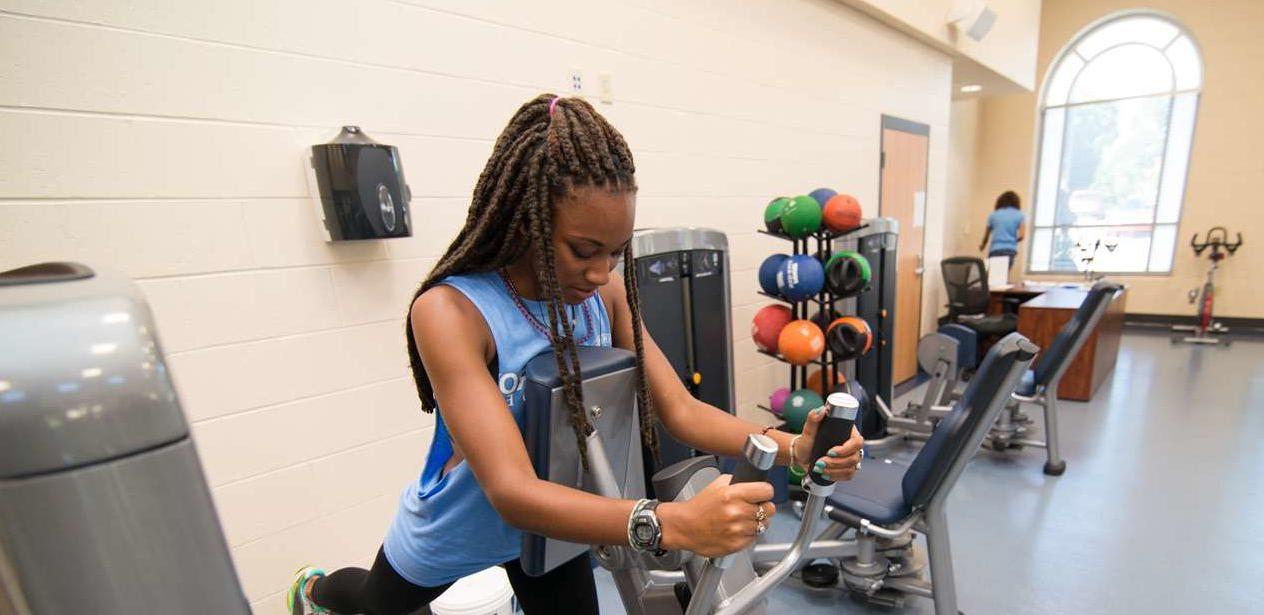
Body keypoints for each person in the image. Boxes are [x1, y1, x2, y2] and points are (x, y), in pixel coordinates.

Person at [286, 94, 865, 615]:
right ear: (524, 220)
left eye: (614, 253)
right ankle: (314, 592)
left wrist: (794, 447)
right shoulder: (450, 312)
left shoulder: (606, 293)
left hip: (559, 523)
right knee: (371, 606)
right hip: (464, 521)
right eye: (583, 250)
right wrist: (672, 523)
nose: (599, 272)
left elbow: (680, 411)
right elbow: (510, 491)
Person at [979, 191, 1026, 271]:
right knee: (1003, 276)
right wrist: (1012, 240)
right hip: (1010, 250)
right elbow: (1022, 236)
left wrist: (982, 246)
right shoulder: (1020, 215)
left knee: (993, 276)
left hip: (995, 249)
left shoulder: (993, 215)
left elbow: (986, 236)